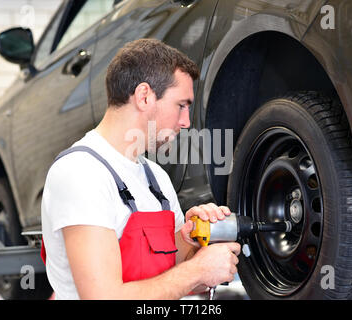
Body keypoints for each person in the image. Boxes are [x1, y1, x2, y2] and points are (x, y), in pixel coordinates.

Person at [41, 39, 240, 300]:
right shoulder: (81, 173)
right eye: (181, 105)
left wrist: (194, 243)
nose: (186, 122)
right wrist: (196, 270)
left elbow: (174, 276)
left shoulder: (156, 178)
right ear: (144, 96)